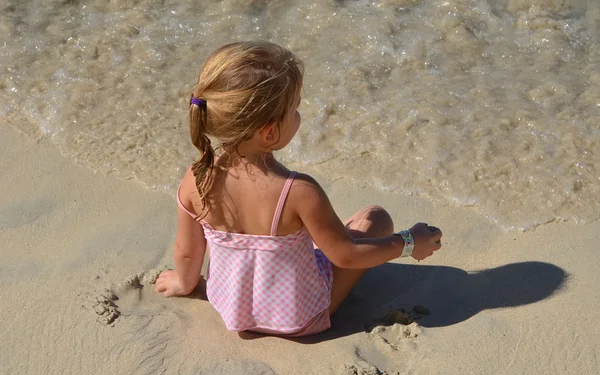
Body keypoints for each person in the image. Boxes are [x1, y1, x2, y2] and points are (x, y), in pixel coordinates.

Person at [154, 41, 443, 337]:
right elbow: (347, 256)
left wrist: (183, 284)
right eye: (295, 109)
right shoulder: (298, 191)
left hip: (231, 308)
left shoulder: (196, 177)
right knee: (375, 217)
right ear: (269, 131)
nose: (299, 116)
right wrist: (409, 242)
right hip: (301, 319)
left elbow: (187, 253)